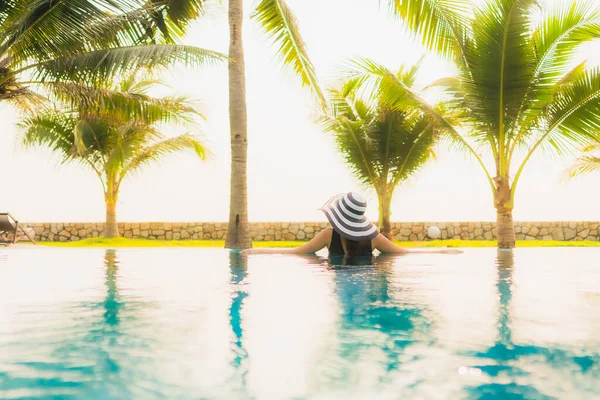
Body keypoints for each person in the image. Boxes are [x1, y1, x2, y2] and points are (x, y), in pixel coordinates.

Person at [242, 192, 462, 256]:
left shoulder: (330, 235)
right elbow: (403, 253)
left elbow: (295, 253)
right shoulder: (373, 238)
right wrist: (442, 252)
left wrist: (255, 252)